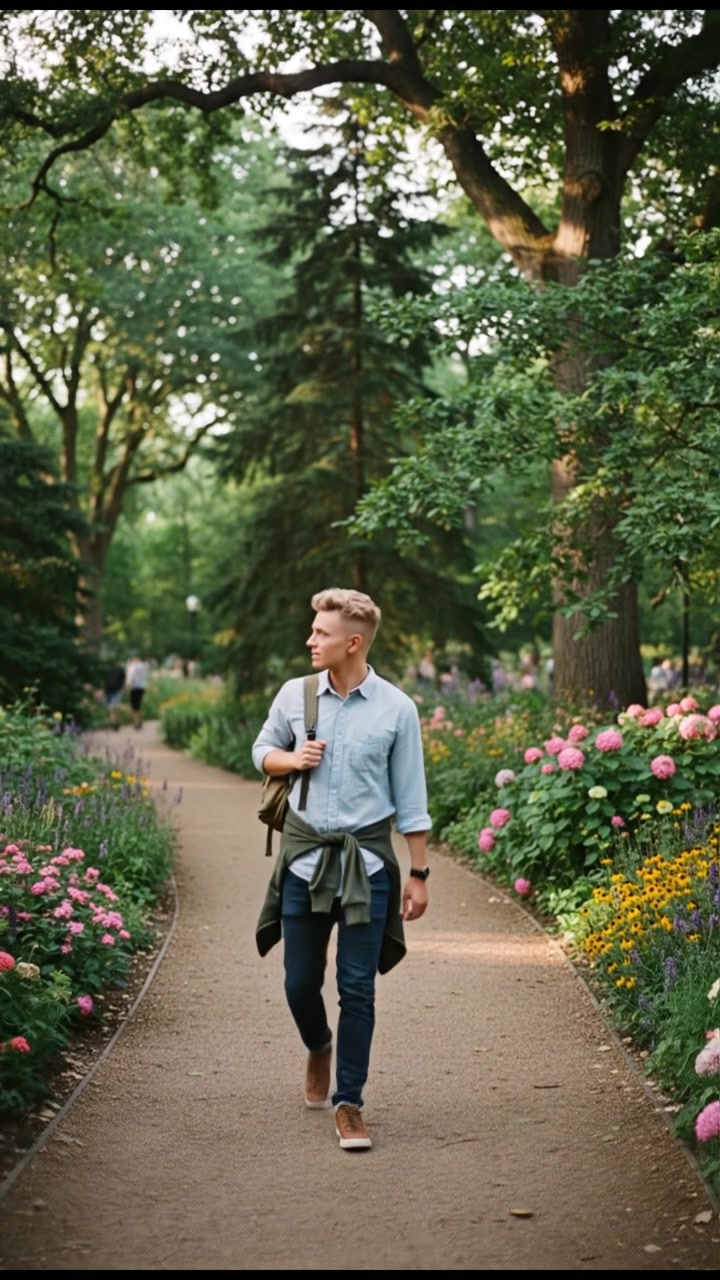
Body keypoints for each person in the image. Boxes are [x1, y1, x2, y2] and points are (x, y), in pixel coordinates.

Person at [252, 587, 431, 1152]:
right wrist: (290, 759)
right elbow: (261, 752)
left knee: (358, 988)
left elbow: (412, 800)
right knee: (299, 981)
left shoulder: (397, 709)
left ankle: (349, 1102)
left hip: (367, 867)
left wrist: (419, 874)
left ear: (352, 642)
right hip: (303, 862)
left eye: (321, 633)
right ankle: (318, 1045)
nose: (310, 639)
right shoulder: (293, 695)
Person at [125, 654, 149, 730]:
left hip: (134, 687)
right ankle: (139, 720)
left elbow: (131, 676)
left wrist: (128, 685)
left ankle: (136, 722)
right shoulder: (143, 666)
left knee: (134, 706)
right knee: (138, 704)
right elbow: (145, 676)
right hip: (142, 687)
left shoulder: (133, 666)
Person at [103, 660, 126, 730]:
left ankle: (113, 721)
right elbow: (123, 681)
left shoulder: (109, 670)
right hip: (117, 690)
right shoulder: (121, 671)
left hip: (108, 690)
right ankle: (115, 721)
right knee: (115, 707)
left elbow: (105, 681)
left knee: (110, 707)